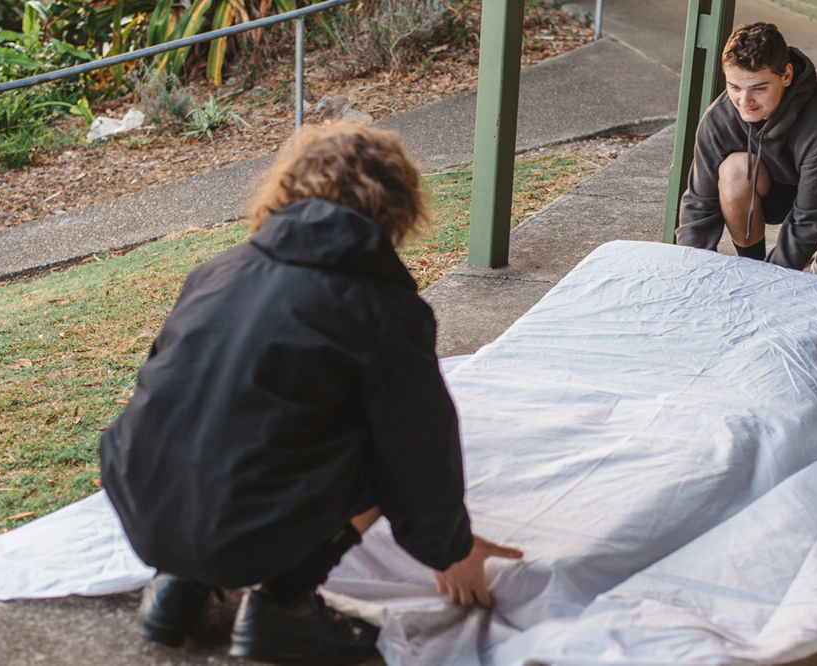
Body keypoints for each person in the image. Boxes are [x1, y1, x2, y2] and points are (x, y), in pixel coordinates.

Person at [98, 122, 523, 665]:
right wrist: (450, 549)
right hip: (241, 532)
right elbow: (418, 447)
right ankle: (283, 604)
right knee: (376, 439)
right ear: (395, 204)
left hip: (143, 509)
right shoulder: (383, 308)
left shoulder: (217, 271)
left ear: (287, 188)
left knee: (223, 416)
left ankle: (177, 584)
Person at [676, 21, 817, 279]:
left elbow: (811, 215)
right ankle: (752, 267)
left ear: (786, 76)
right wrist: (688, 272)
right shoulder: (719, 119)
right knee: (734, 172)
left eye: (759, 88)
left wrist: (774, 280)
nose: (744, 101)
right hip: (777, 186)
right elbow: (699, 204)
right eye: (735, 87)